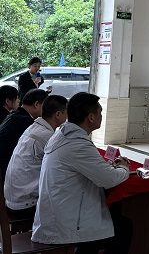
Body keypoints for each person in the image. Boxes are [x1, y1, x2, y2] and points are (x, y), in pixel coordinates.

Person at [32, 92, 132, 253]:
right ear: (91, 117)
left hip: (55, 216)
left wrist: (107, 166)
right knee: (123, 227)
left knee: (115, 222)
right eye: (100, 113)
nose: (101, 116)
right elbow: (109, 180)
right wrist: (124, 168)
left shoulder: (62, 134)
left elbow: (85, 166)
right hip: (64, 225)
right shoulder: (77, 144)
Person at [4, 94, 68, 217]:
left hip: (14, 198)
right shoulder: (48, 137)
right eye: (66, 113)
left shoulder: (33, 128)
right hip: (25, 204)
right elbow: (65, 166)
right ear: (58, 115)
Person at [0, 88, 46, 177]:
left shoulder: (14, 115)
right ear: (36, 104)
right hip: (7, 169)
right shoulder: (27, 122)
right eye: (45, 107)